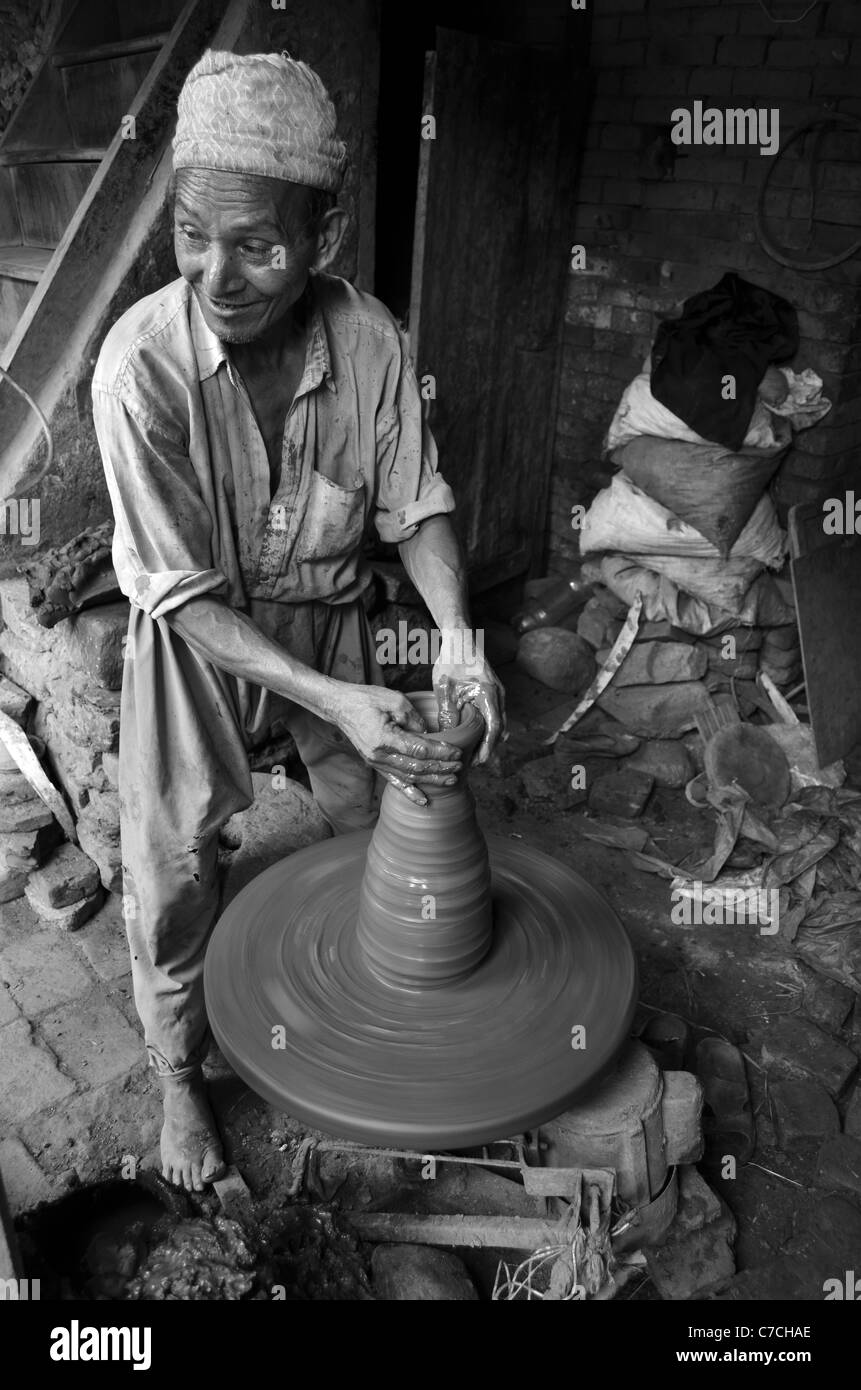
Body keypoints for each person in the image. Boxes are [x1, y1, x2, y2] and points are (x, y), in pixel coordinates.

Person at [92, 50, 504, 1192]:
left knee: (384, 813)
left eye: (257, 245)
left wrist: (459, 640)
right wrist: (338, 704)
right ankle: (180, 1074)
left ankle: (362, 998)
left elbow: (415, 504)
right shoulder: (139, 375)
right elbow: (180, 593)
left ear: (319, 242)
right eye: (191, 236)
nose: (215, 274)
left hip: (326, 613)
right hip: (196, 642)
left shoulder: (370, 340)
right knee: (174, 864)